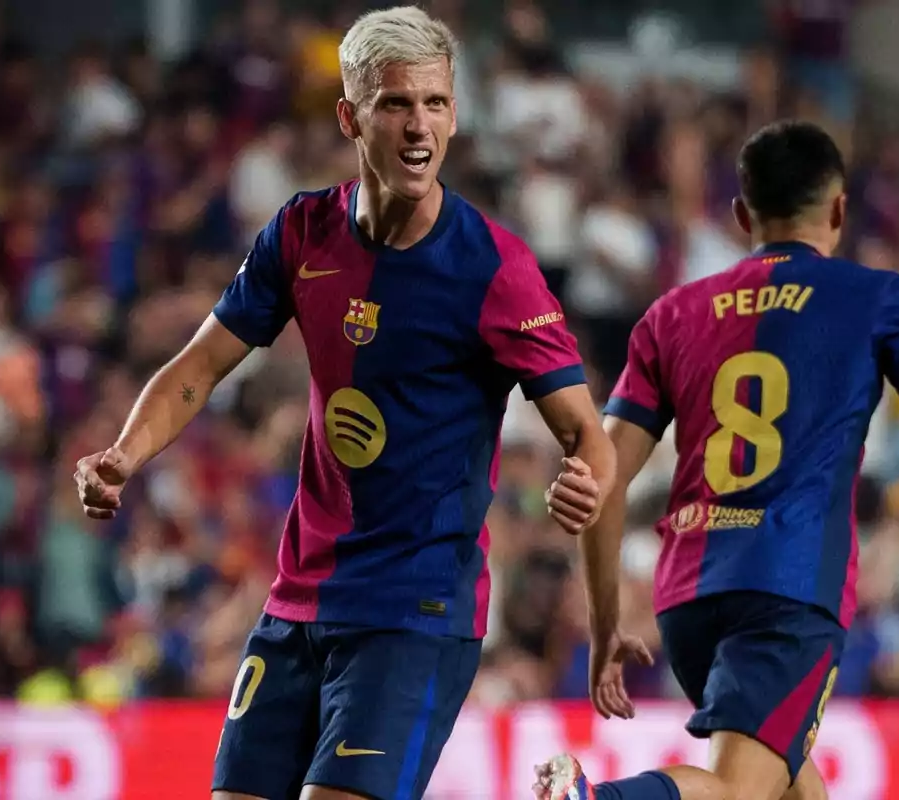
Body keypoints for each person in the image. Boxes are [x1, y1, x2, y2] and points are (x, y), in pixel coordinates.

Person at [73, 7, 614, 800]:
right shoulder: (300, 234)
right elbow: (198, 366)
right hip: (299, 597)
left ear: (456, 116)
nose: (418, 125)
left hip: (415, 608)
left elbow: (586, 433)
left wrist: (588, 477)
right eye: (395, 104)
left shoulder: (495, 268)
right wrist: (125, 451)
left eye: (434, 103)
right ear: (350, 117)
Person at [537, 120, 899, 800]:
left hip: (689, 599)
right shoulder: (876, 296)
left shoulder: (671, 314)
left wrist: (607, 620)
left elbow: (602, 478)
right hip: (789, 588)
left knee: (789, 786)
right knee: (737, 792)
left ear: (741, 215)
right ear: (841, 210)